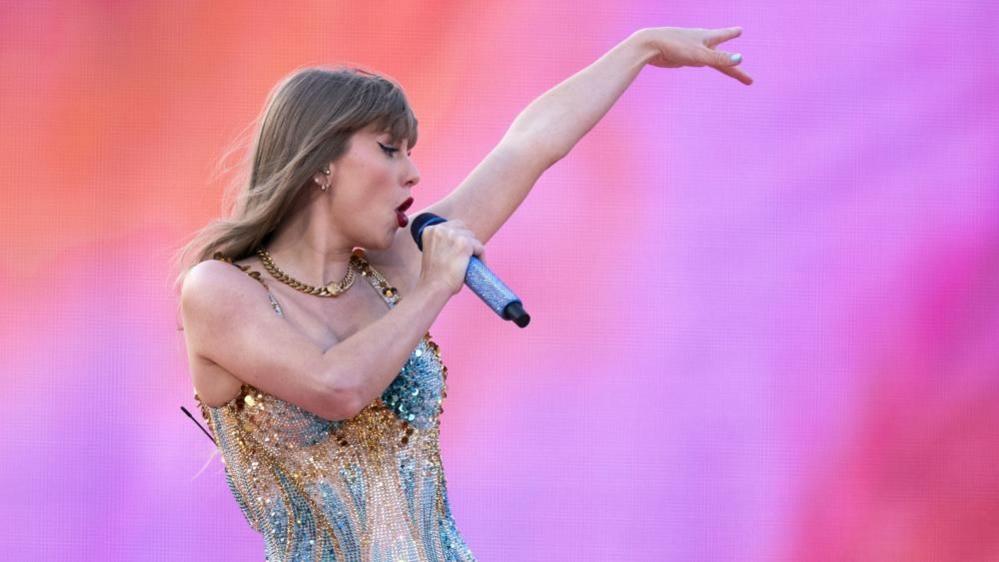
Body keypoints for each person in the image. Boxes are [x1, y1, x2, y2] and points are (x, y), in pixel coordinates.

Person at [176, 26, 751, 562]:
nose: (413, 174)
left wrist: (640, 49)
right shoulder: (222, 288)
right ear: (322, 162)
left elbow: (528, 146)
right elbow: (338, 387)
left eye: (411, 151)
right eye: (389, 148)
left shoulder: (392, 266)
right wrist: (432, 289)